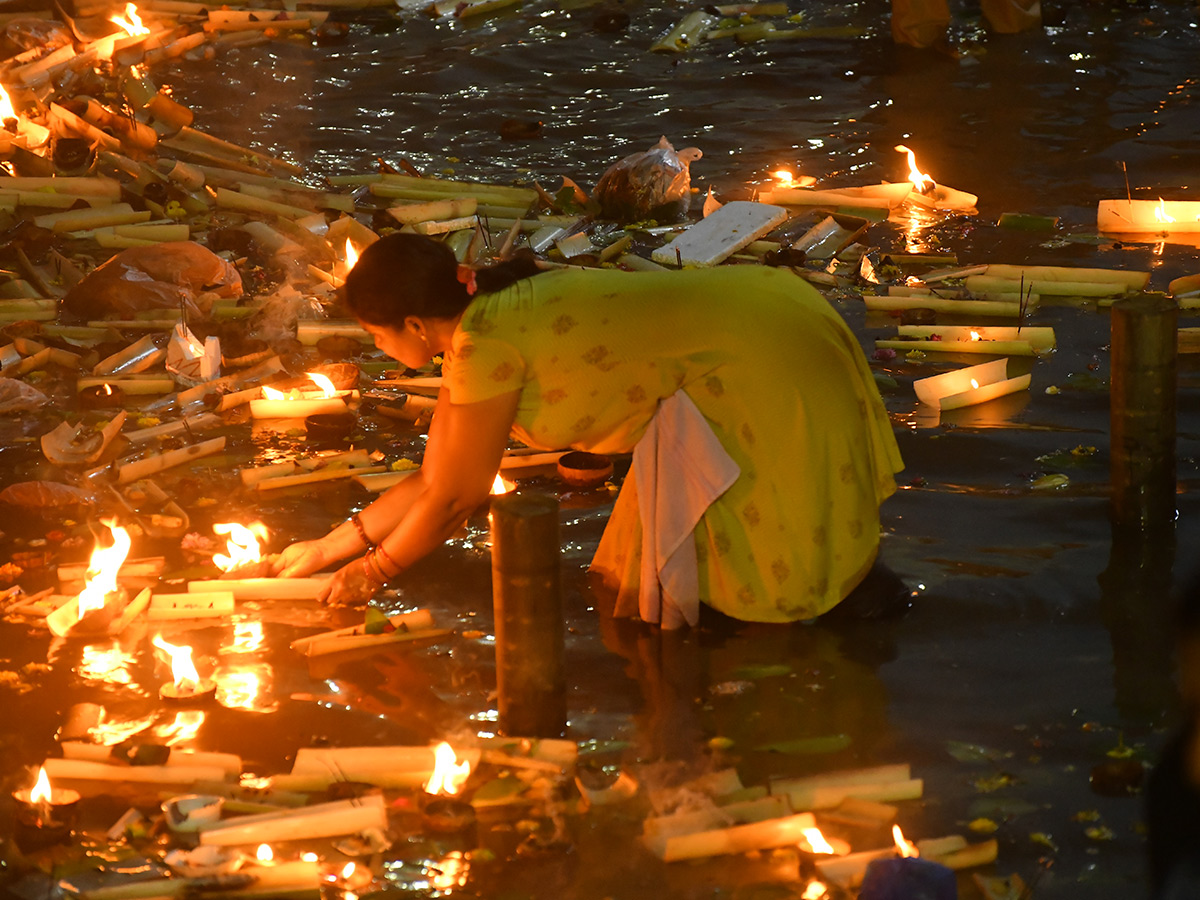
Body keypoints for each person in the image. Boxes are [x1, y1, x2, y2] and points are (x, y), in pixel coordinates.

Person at [271, 233, 905, 626]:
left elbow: (456, 499)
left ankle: (832, 646)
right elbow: (438, 479)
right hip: (766, 309)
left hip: (760, 355)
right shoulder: (487, 317)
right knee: (663, 576)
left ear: (413, 324)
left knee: (765, 563)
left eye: (376, 335)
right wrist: (327, 550)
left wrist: (371, 574)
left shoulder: (486, 346)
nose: (378, 349)